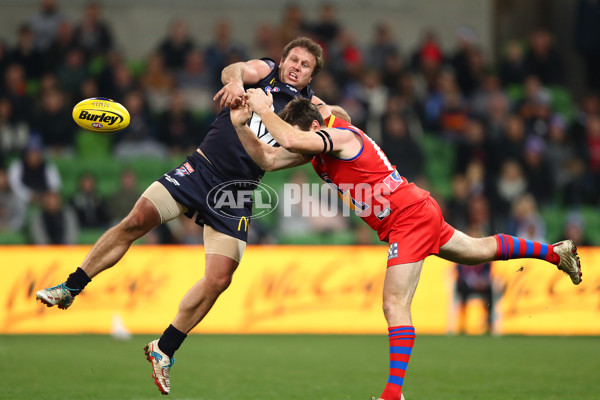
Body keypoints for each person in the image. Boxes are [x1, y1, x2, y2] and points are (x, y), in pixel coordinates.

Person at [229, 90, 582, 400]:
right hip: (412, 213)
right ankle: (555, 252)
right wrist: (242, 125)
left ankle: (392, 395)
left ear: (313, 128)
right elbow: (270, 158)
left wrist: (264, 108)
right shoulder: (320, 149)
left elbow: (290, 139)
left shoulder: (342, 137)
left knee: (393, 303)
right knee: (476, 252)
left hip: (408, 217)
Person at [35, 36, 325, 395]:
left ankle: (164, 348)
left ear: (313, 75)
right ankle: (70, 287)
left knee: (219, 279)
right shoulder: (264, 72)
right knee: (136, 220)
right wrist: (235, 81)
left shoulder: (310, 108)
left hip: (236, 192)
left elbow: (335, 120)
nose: (296, 67)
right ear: (282, 61)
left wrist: (332, 116)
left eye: (305, 65)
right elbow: (234, 69)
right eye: (293, 60)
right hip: (200, 169)